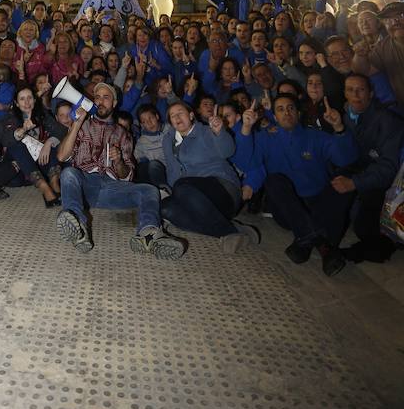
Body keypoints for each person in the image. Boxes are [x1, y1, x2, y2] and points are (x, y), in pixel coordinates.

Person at [56, 82, 185, 259]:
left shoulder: (123, 134)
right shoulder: (82, 126)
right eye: (97, 97)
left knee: (149, 190)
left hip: (112, 188)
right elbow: (62, 157)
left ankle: (148, 233)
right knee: (69, 173)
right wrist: (76, 125)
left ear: (114, 103)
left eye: (106, 97)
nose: (100, 101)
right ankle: (79, 225)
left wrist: (118, 162)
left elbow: (127, 176)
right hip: (86, 185)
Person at [234, 94, 358, 275]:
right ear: (274, 117)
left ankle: (305, 240)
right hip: (287, 209)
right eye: (281, 109)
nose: (287, 113)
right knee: (273, 181)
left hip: (318, 202)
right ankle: (324, 246)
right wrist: (246, 128)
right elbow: (247, 163)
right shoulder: (265, 138)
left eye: (291, 108)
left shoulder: (316, 136)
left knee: (344, 184)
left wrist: (339, 128)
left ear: (298, 113)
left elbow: (346, 159)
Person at [160, 101, 259, 252]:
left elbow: (228, 151)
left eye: (180, 112)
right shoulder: (168, 140)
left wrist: (219, 132)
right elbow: (172, 169)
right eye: (172, 115)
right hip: (198, 201)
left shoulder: (206, 131)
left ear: (191, 115)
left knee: (182, 186)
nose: (177, 117)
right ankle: (233, 230)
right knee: (166, 208)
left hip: (223, 190)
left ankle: (228, 232)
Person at [333, 74, 404, 264]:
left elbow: (388, 168)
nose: (355, 94)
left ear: (371, 94)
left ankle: (382, 247)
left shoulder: (389, 121)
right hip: (361, 168)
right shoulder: (346, 114)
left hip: (386, 180)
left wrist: (354, 183)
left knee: (363, 225)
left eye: (361, 90)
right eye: (350, 90)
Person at [0, 86, 66, 206]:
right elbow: (5, 140)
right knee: (16, 145)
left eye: (29, 98)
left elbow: (61, 131)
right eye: (22, 99)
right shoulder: (9, 118)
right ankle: (44, 187)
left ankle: (54, 183)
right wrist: (22, 130)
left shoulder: (42, 115)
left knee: (53, 143)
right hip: (19, 172)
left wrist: (49, 143)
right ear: (17, 103)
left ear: (35, 100)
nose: (27, 102)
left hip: (41, 166)